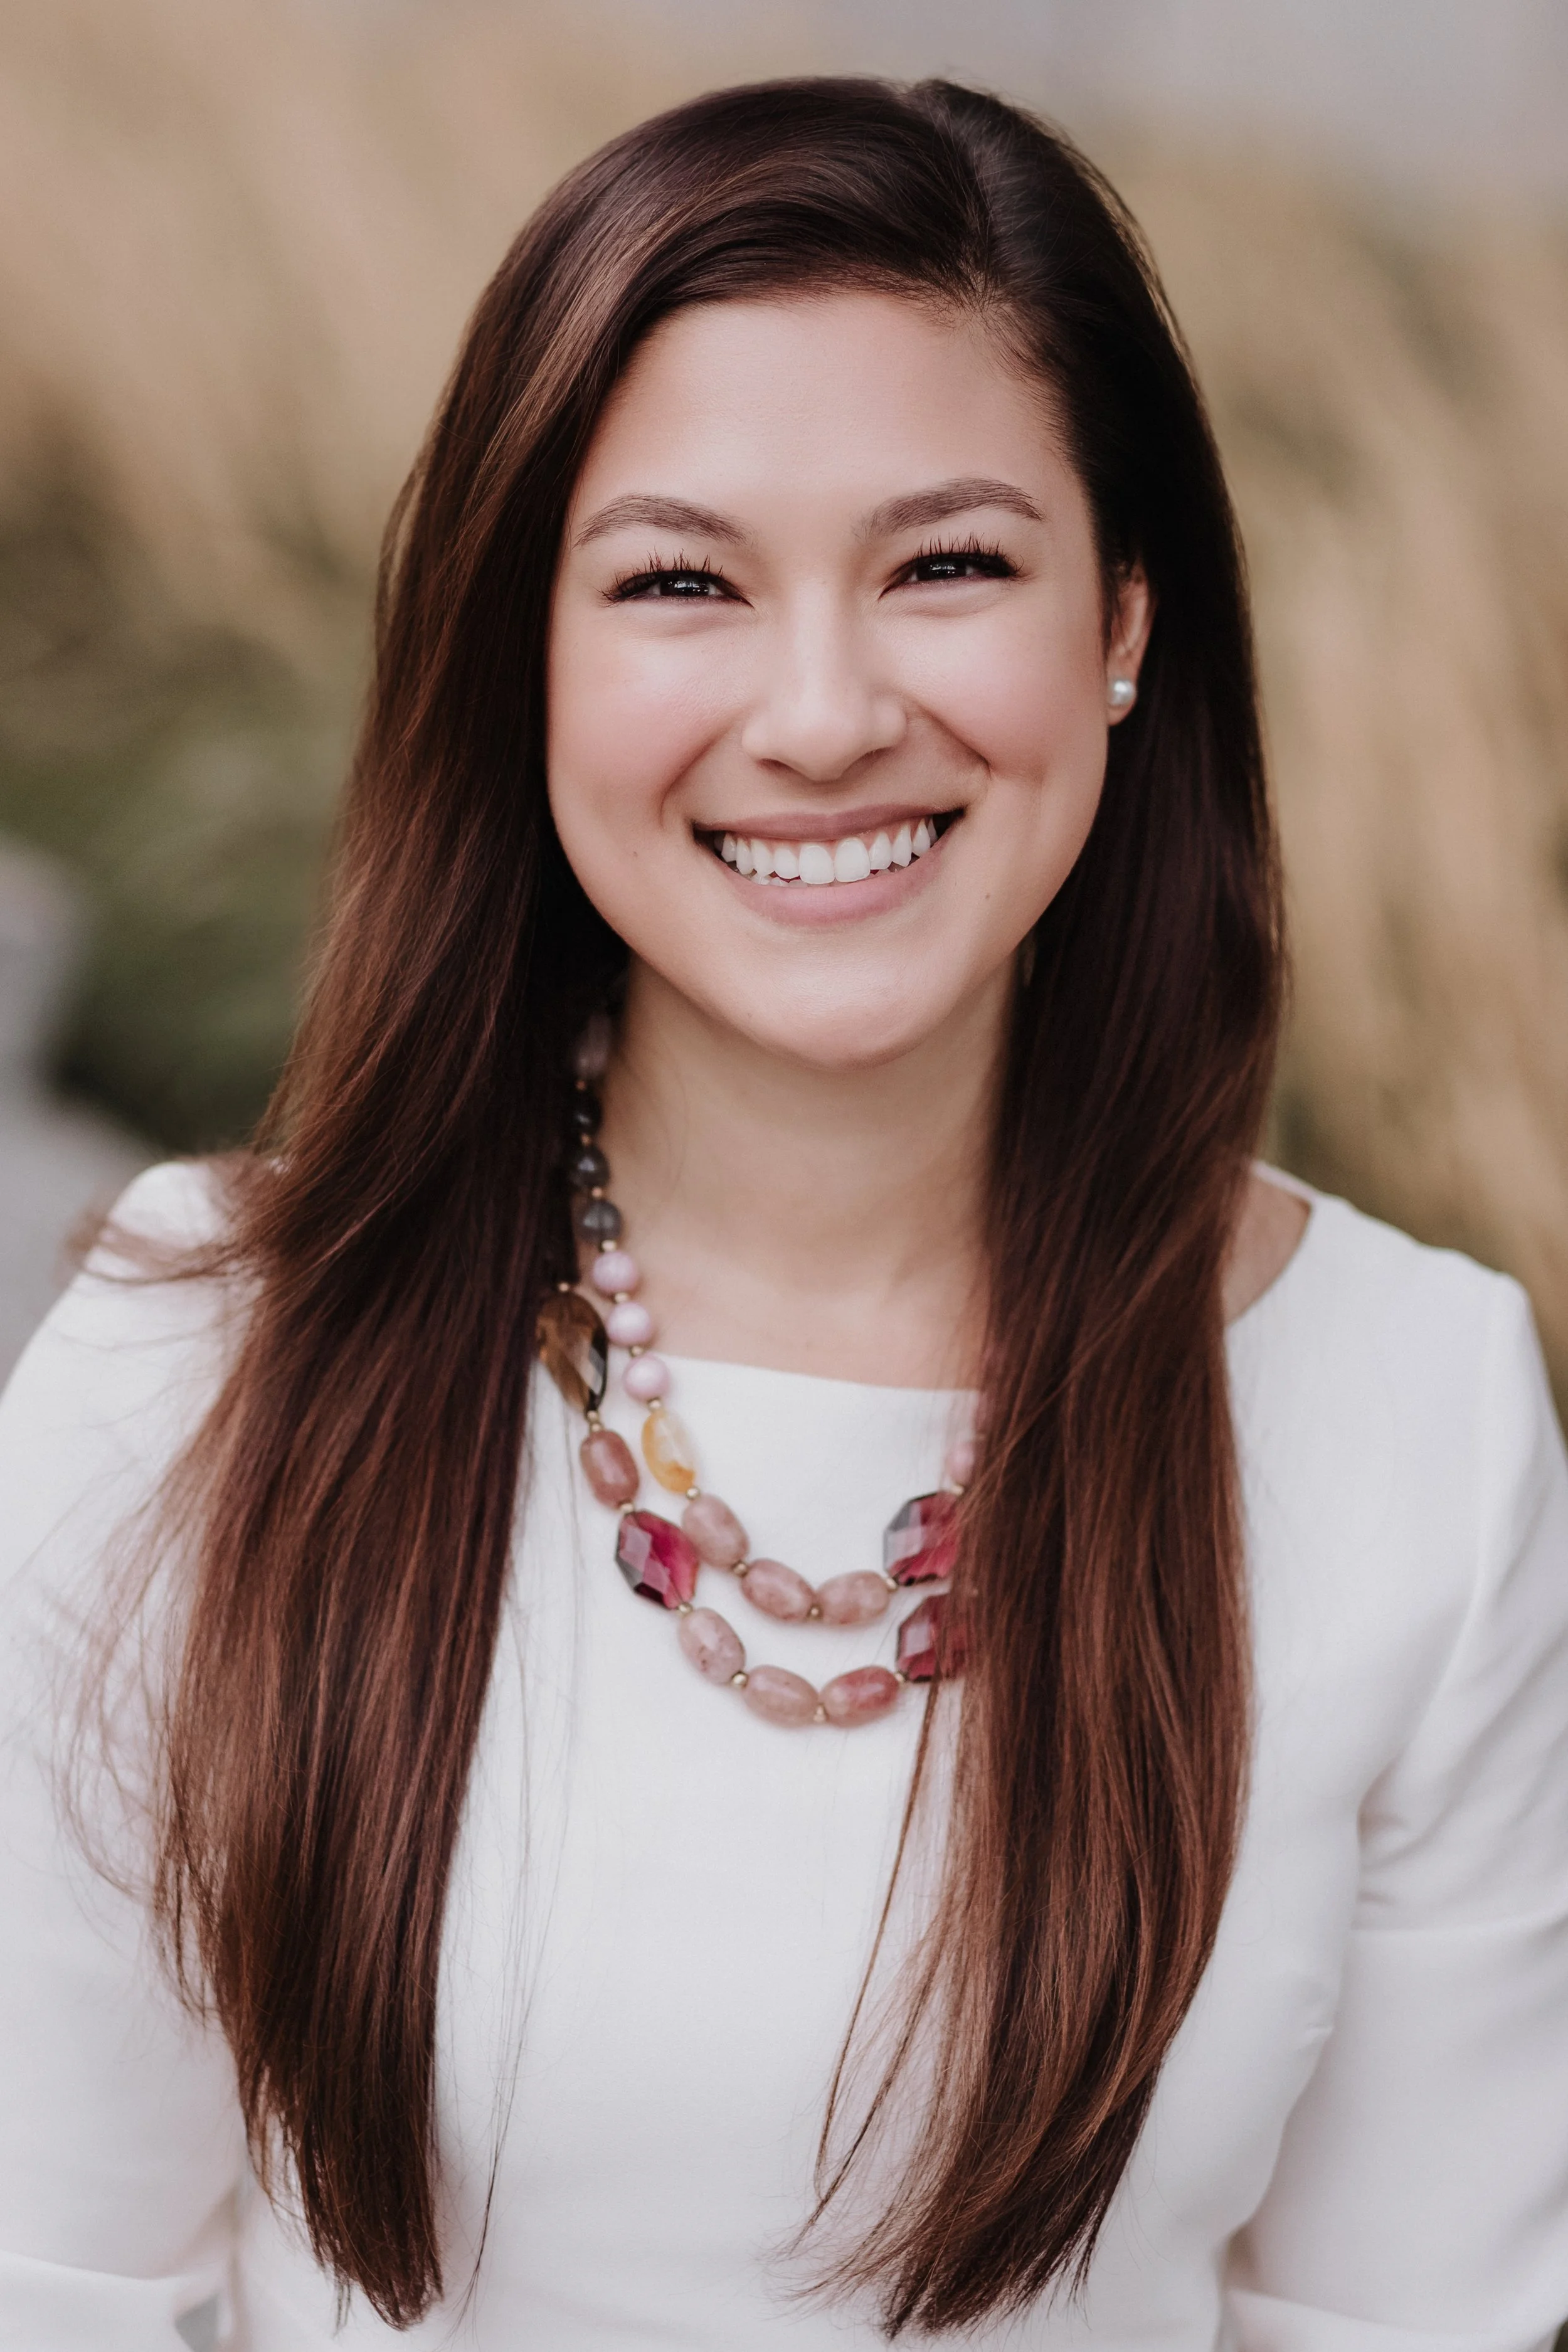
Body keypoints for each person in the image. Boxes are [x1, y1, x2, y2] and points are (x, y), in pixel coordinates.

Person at [2, 75, 1566, 2352]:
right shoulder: (197, 1368)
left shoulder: (1416, 1412)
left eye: (946, 564)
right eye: (678, 583)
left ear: (1120, 621)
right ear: (523, 655)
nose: (822, 711)